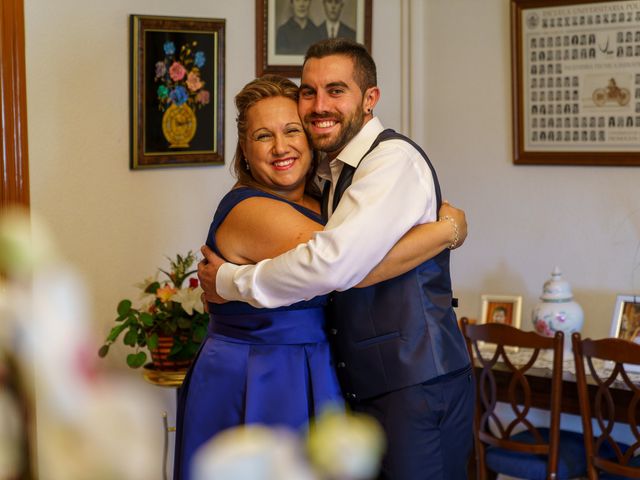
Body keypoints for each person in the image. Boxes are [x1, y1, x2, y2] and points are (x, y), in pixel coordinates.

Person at [198, 39, 473, 479]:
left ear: (370, 99)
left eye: (335, 90)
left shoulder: (389, 161)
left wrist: (232, 281)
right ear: (243, 150)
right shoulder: (321, 182)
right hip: (289, 382)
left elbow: (337, 265)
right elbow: (339, 263)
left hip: (412, 384)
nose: (319, 105)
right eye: (309, 91)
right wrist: (447, 230)